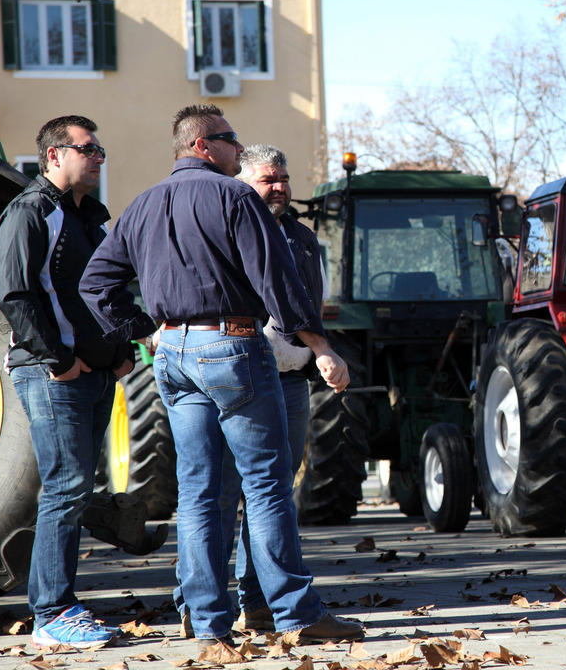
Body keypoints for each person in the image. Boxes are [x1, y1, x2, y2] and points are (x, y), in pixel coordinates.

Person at [78, 105, 362, 652]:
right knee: (267, 483)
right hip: (232, 346)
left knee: (200, 491)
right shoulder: (235, 197)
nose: (240, 149)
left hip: (175, 353)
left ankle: (208, 622)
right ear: (206, 145)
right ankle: (294, 614)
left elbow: (96, 285)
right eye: (233, 141)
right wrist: (321, 345)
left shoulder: (142, 205)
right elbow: (277, 282)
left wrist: (146, 331)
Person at [0, 115, 134, 649]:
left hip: (97, 375)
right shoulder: (30, 212)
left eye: (101, 149)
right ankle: (51, 613)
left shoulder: (90, 219)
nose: (99, 157)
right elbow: (16, 295)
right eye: (88, 148)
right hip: (55, 375)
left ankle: (62, 605)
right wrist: (58, 361)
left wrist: (120, 356)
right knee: (67, 487)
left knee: (75, 490)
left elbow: (107, 291)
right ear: (54, 155)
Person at [220, 144, 327, 631]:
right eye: (268, 179)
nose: (280, 187)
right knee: (223, 492)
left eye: (283, 178)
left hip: (291, 381)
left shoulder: (304, 239)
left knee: (275, 492)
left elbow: (311, 303)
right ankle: (199, 604)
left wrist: (315, 353)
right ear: (243, 182)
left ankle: (257, 601)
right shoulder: (227, 228)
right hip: (238, 375)